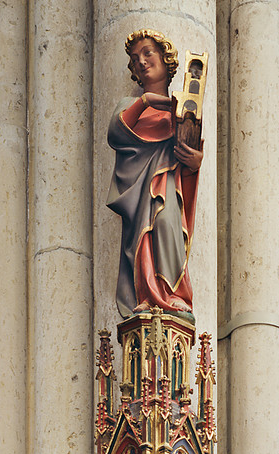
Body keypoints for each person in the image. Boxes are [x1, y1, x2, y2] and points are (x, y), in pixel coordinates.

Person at [107, 31, 203, 319]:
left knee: (167, 227)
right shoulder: (130, 105)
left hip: (169, 190)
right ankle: (147, 295)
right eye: (136, 58)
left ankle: (171, 294)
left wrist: (195, 162)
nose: (142, 62)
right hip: (139, 198)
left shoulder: (181, 111)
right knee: (142, 241)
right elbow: (116, 132)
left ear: (165, 59)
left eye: (148, 53)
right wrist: (146, 102)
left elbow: (188, 151)